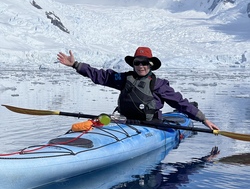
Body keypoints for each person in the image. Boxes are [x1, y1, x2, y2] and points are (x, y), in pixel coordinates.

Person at [57, 47, 219, 130]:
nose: (141, 66)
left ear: (150, 65)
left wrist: (203, 119)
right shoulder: (124, 79)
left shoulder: (159, 84)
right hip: (126, 123)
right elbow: (101, 76)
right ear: (133, 64)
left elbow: (179, 102)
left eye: (144, 63)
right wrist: (76, 65)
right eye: (137, 62)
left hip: (151, 126)